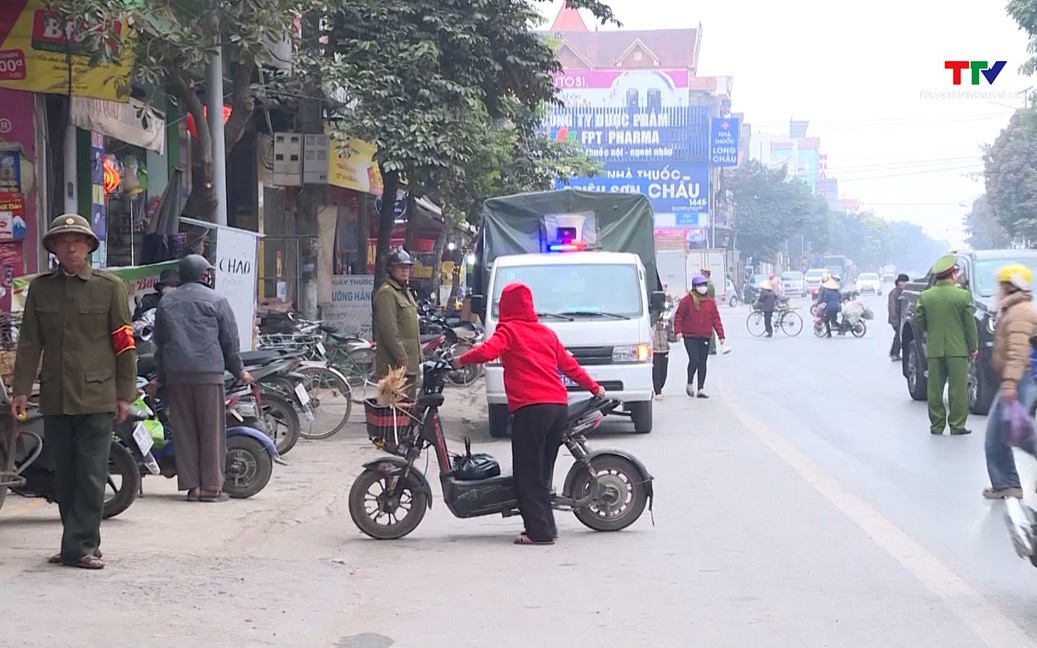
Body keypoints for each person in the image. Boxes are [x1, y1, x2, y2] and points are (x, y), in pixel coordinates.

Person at [11, 214, 137, 570]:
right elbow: (30, 343)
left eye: (77, 241)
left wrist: (125, 393)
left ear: (88, 247)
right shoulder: (41, 288)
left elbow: (124, 343)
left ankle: (81, 545)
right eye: (63, 241)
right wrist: (21, 390)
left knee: (92, 472)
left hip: (98, 396)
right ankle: (76, 542)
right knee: (63, 473)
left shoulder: (108, 286)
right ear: (53, 248)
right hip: (56, 396)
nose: (70, 247)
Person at [452, 283, 604, 545]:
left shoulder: (509, 330)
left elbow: (488, 351)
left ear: (509, 306)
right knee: (542, 472)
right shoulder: (546, 333)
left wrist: (460, 360)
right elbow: (570, 366)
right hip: (557, 408)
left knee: (527, 473)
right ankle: (546, 527)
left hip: (531, 409)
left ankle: (539, 532)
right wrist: (595, 388)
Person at [150, 254, 252, 502]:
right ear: (201, 274)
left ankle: (193, 486)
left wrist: (160, 379)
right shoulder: (217, 300)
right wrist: (240, 371)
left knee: (184, 432)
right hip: (208, 375)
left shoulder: (167, 302)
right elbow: (229, 341)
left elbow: (161, 345)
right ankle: (211, 487)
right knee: (211, 432)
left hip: (177, 376)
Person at [983, 264, 1037, 498]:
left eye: (1001, 286)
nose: (998, 291)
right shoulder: (1013, 310)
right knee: (1004, 433)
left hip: (1020, 378)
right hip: (1018, 378)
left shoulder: (1019, 313)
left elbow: (1018, 352)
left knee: (1011, 434)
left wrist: (1009, 384)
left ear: (1009, 287)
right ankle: (1007, 484)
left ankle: (1007, 483)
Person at [915, 254, 978, 436]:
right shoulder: (962, 296)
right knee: (958, 389)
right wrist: (972, 347)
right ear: (952, 275)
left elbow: (920, 318)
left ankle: (937, 425)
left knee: (934, 388)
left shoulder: (926, 296)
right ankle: (957, 425)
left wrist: (932, 329)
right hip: (957, 350)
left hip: (935, 348)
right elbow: (969, 325)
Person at [373, 248, 421, 399]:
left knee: (408, 409)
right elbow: (389, 332)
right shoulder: (387, 293)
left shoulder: (404, 292)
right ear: (390, 269)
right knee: (395, 413)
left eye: (407, 267)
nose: (405, 271)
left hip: (409, 365)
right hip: (395, 366)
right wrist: (402, 357)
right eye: (401, 267)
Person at [674, 274, 726, 398]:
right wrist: (678, 332)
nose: (702, 287)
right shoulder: (687, 301)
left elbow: (716, 319)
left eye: (704, 285)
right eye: (699, 285)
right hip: (690, 335)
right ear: (694, 287)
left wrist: (721, 335)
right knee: (695, 360)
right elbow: (679, 316)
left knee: (703, 362)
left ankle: (700, 388)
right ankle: (690, 383)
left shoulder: (710, 302)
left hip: (705, 335)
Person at [887, 273, 909, 361]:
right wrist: (894, 321)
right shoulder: (894, 293)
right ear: (898, 283)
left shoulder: (905, 293)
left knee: (900, 336)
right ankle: (894, 353)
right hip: (896, 319)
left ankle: (895, 353)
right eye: (901, 282)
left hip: (903, 318)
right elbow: (892, 308)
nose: (903, 284)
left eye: (905, 282)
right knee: (898, 336)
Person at [651, 311, 670, 399]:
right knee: (656, 371)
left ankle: (660, 387)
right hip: (654, 350)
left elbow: (670, 334)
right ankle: (657, 391)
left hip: (665, 349)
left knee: (663, 372)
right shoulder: (650, 322)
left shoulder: (666, 321)